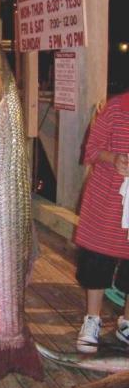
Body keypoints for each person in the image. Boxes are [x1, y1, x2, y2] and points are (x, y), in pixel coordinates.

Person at [74, 91, 129, 353]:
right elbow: (91, 150)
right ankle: (92, 320)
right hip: (106, 200)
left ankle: (127, 323)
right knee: (96, 259)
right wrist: (115, 158)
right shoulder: (115, 109)